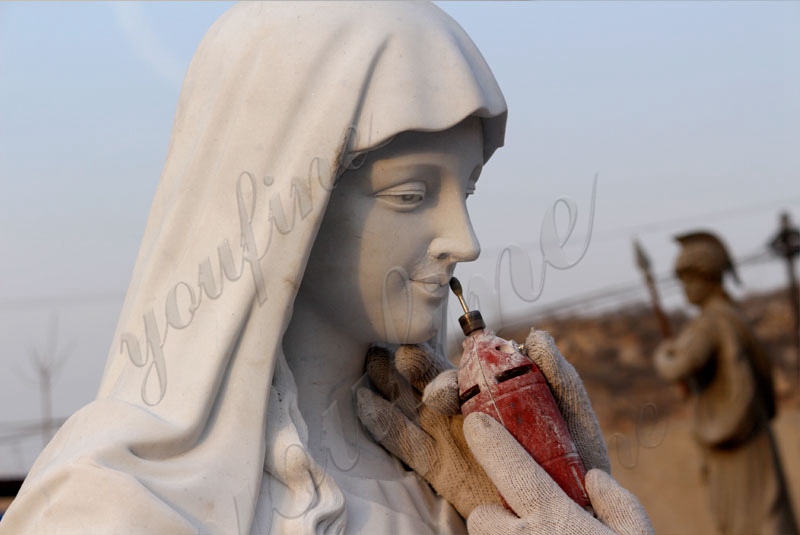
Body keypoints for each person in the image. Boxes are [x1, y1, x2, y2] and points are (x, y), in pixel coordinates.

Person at [0, 3, 652, 533]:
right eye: (412, 194)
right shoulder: (115, 503)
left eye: (469, 190)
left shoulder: (462, 492)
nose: (466, 240)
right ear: (288, 207)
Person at [655, 231, 798, 535]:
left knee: (751, 517)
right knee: (764, 509)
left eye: (688, 280)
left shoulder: (712, 322)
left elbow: (679, 366)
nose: (684, 289)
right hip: (751, 435)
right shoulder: (733, 316)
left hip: (735, 440)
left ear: (707, 276)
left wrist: (663, 354)